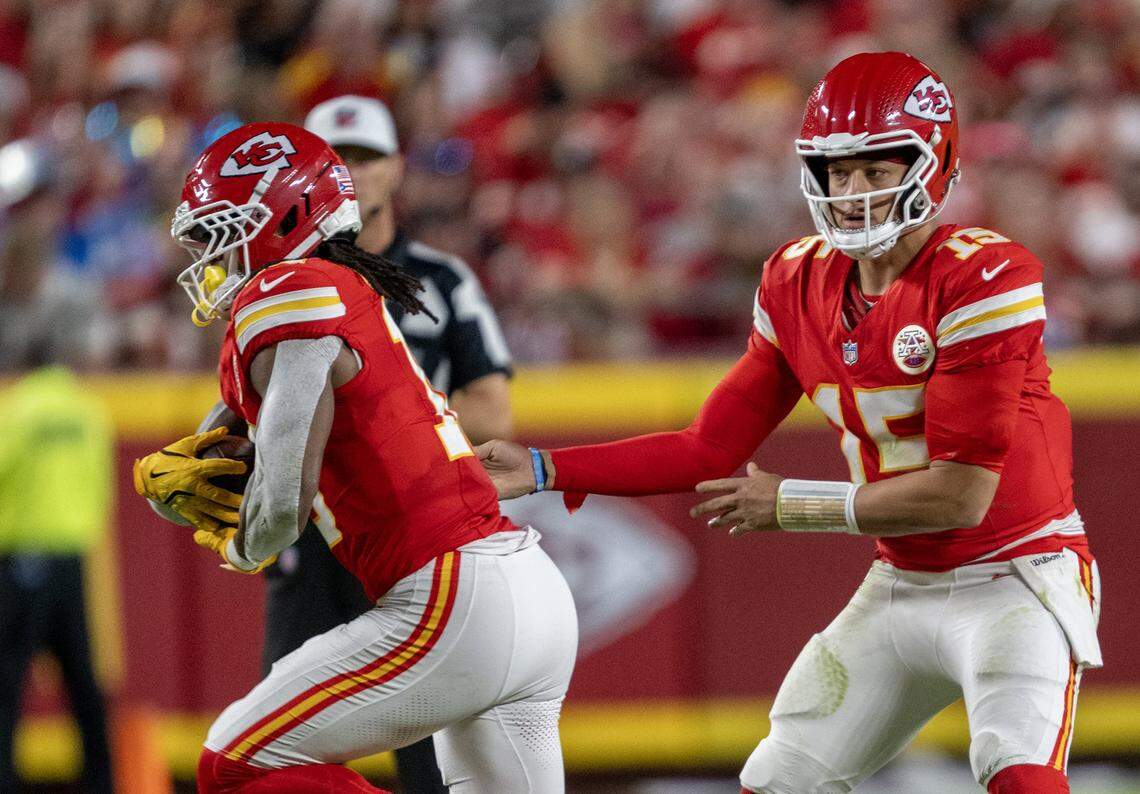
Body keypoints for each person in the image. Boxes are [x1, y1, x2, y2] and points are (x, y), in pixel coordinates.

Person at [478, 52, 1100, 794]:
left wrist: (794, 505)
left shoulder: (983, 275)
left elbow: (959, 496)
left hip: (1016, 574)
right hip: (903, 583)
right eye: (839, 172)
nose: (855, 193)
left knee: (1020, 774)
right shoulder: (795, 280)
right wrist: (547, 468)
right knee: (777, 781)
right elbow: (706, 447)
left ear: (935, 164)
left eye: (876, 169)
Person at [133, 122, 576, 793]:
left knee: (234, 763)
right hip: (529, 587)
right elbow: (265, 430)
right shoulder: (335, 287)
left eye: (223, 231)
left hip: (451, 596)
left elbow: (281, 504)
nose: (210, 257)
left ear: (282, 216)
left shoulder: (286, 290)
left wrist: (238, 546)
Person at [0, 361, 114, 793]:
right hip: (72, 556)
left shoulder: (17, 410)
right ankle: (102, 780)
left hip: (23, 558)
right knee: (83, 679)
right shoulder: (87, 412)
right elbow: (99, 483)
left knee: (8, 681)